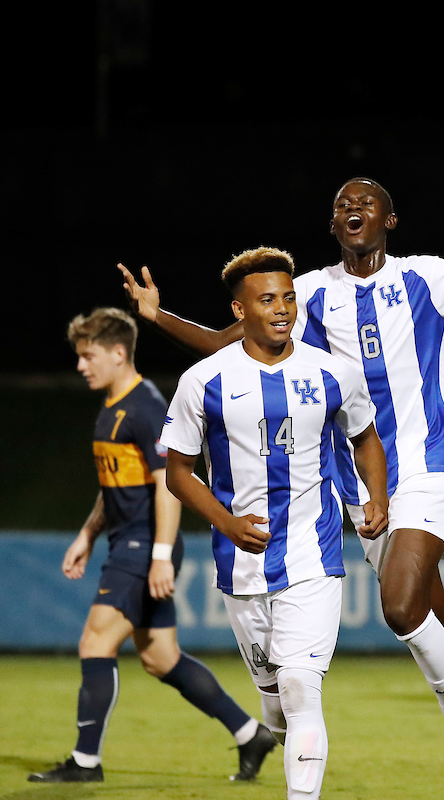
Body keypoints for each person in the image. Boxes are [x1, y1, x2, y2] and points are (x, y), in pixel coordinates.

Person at [120, 177, 444, 798]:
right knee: (431, 632)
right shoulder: (308, 292)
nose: (352, 210)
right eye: (341, 205)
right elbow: (222, 347)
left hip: (427, 468)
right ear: (332, 224)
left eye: (365, 203)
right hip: (361, 485)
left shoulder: (424, 278)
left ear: (390, 220)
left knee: (400, 606)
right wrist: (157, 318)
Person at [159, 247, 390, 800]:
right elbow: (179, 472)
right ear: (239, 311)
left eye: (288, 297)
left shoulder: (333, 372)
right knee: (275, 698)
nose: (283, 308)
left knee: (299, 684)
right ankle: (273, 724)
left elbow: (366, 438)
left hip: (314, 551)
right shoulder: (203, 380)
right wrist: (228, 522)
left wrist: (377, 496)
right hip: (241, 562)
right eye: (268, 300)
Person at [29, 308, 276, 784]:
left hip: (144, 548)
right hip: (130, 543)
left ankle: (84, 763)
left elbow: (169, 484)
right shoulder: (111, 406)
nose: (82, 365)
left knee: (95, 642)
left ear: (119, 353)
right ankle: (250, 734)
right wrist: (87, 533)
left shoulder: (144, 407)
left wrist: (161, 554)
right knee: (160, 658)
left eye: (89, 355)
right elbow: (115, 486)